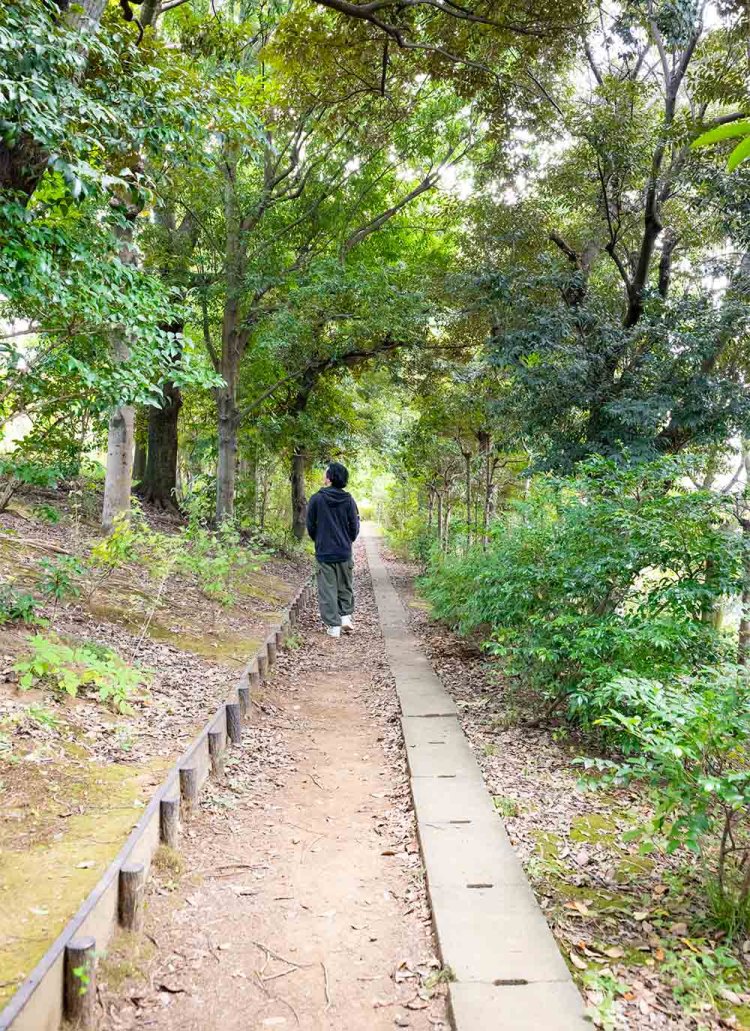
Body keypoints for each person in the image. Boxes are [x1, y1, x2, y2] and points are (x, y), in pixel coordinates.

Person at [306, 461, 360, 638]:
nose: (324, 476)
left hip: (324, 552)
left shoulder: (316, 499)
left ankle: (333, 626)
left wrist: (319, 540)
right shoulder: (349, 500)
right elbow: (355, 526)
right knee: (345, 585)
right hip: (344, 551)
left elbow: (310, 525)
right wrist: (347, 541)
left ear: (329, 478)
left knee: (327, 589)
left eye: (325, 473)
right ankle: (345, 617)